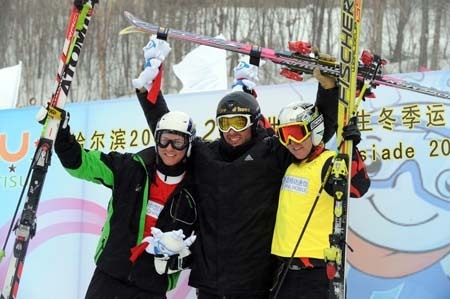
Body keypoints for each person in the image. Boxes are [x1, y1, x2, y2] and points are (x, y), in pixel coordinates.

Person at [134, 37, 339, 298]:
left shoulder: (272, 152)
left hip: (254, 283)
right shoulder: (205, 155)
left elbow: (315, 134)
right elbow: (170, 136)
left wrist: (328, 89)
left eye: (239, 123)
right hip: (209, 282)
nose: (232, 131)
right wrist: (147, 92)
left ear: (253, 123)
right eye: (225, 123)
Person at [53, 105, 198, 299]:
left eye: (178, 142)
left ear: (189, 144)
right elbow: (82, 163)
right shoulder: (129, 168)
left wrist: (181, 257)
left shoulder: (196, 191)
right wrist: (62, 135)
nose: (169, 148)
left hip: (152, 286)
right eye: (164, 140)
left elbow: (208, 243)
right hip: (109, 276)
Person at [270, 103, 370, 298]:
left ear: (314, 130)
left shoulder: (329, 162)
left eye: (297, 133)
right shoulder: (291, 166)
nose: (292, 142)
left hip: (317, 272)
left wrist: (352, 147)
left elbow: (359, 188)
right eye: (285, 135)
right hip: (285, 271)